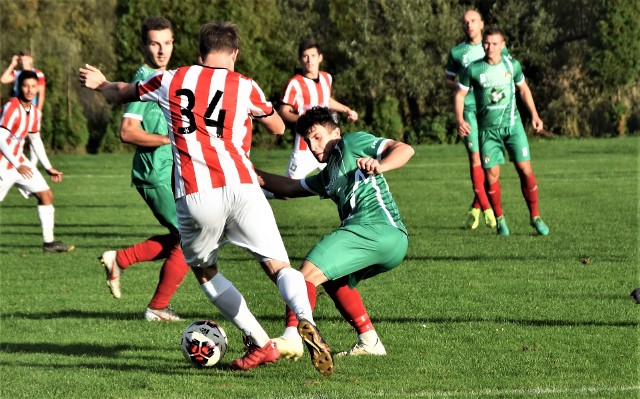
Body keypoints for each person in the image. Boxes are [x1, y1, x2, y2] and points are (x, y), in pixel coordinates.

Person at [79, 21, 333, 375]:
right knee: (279, 266)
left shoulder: (172, 79)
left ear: (200, 52)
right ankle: (305, 319)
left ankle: (259, 340)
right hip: (244, 187)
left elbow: (122, 92)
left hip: (196, 193)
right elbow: (277, 126)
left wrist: (100, 84)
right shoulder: (245, 85)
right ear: (235, 53)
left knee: (204, 270)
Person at [256, 106, 414, 360]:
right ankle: (370, 341)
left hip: (377, 228)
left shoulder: (351, 143)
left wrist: (381, 164)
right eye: (308, 140)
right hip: (389, 241)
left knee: (303, 275)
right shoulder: (327, 174)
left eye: (317, 136)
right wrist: (248, 170)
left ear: (336, 133)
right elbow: (289, 187)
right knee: (332, 279)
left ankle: (291, 336)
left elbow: (405, 149)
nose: (313, 145)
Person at [98, 17, 190, 322]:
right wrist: (169, 139)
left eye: (167, 43)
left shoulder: (163, 75)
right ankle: (157, 307)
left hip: (166, 171)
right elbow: (127, 131)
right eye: (154, 43)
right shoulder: (145, 77)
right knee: (191, 237)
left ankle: (120, 259)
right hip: (154, 173)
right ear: (143, 46)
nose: (161, 50)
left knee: (185, 237)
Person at [455, 26, 549, 236]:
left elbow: (523, 89)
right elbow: (460, 94)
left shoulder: (511, 65)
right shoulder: (473, 69)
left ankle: (535, 217)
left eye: (495, 44)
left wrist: (534, 114)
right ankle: (500, 220)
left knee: (525, 170)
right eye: (486, 43)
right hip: (488, 131)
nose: (490, 47)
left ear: (503, 45)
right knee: (491, 175)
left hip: (513, 127)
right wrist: (460, 118)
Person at [0, 70, 74, 253]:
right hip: (4, 163)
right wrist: (17, 165)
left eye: (33, 86)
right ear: (19, 87)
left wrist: (48, 167)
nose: (29, 90)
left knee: (46, 194)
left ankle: (49, 243)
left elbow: (35, 140)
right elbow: (0, 138)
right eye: (26, 86)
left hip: (19, 163)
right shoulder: (12, 107)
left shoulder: (33, 111)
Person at [445, 9, 505, 231]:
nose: (469, 24)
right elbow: (448, 79)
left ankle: (476, 207)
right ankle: (489, 209)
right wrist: (463, 86)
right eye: (465, 22)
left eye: (473, 21)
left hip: (491, 111)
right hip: (469, 110)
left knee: (493, 166)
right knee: (476, 159)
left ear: (482, 24)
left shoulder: (494, 45)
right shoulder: (457, 52)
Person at [278, 39, 358, 179]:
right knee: (288, 188)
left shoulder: (327, 78)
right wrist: (306, 121)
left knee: (341, 180)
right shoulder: (294, 83)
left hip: (327, 142)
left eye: (313, 55)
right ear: (300, 59)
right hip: (305, 144)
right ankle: (257, 194)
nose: (309, 60)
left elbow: (326, 100)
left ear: (320, 57)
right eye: (305, 56)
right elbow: (283, 111)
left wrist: (346, 110)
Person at [1, 50, 47, 165]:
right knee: (10, 136)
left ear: (31, 59)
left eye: (25, 59)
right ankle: (9, 161)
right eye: (21, 59)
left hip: (31, 110)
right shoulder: (17, 73)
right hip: (17, 110)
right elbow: (3, 79)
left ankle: (33, 165)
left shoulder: (38, 73)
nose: (22, 61)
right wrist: (12, 64)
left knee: (34, 138)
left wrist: (39, 111)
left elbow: (41, 92)